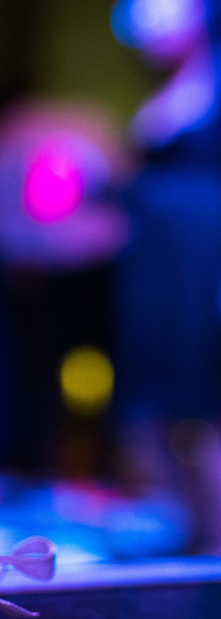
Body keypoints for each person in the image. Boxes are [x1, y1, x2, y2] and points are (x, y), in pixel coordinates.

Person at [111, 0, 221, 551]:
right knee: (158, 404)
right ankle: (187, 540)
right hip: (156, 262)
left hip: (204, 260)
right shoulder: (164, 95)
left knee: (202, 400)